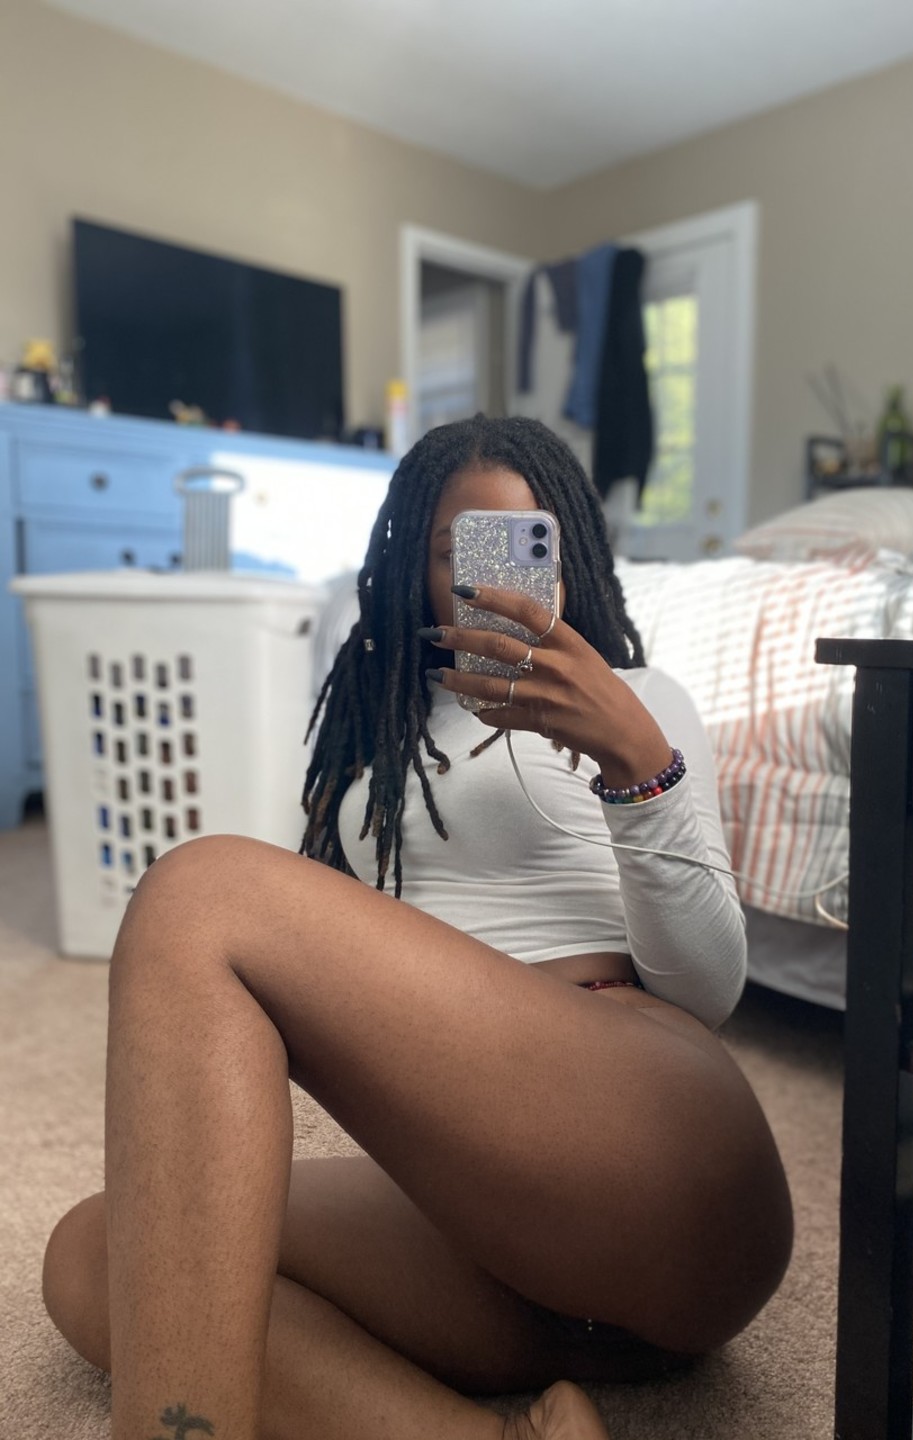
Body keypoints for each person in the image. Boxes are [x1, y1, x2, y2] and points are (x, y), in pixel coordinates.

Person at [41, 416, 793, 1440]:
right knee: (105, 1254)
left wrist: (635, 761)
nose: (490, 575)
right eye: (456, 550)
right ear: (414, 568)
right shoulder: (375, 718)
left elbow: (708, 991)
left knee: (195, 894)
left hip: (651, 1150)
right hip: (493, 1234)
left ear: (569, 550)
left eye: (524, 542)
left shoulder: (641, 700)